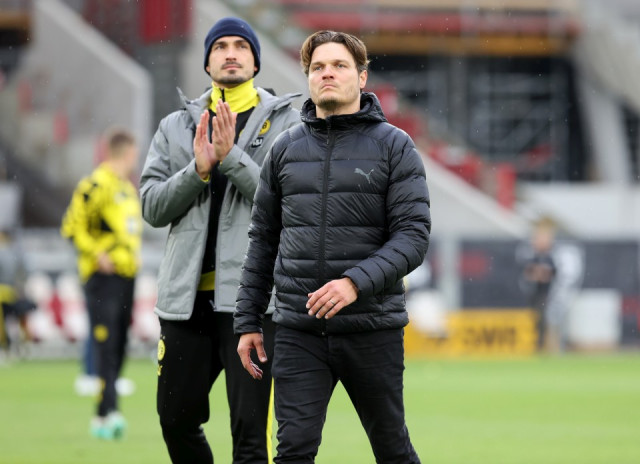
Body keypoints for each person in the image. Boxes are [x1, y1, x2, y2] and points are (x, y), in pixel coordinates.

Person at [235, 30, 431, 463]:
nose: (327, 74)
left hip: (372, 328)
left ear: (361, 77)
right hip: (299, 331)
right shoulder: (284, 150)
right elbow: (263, 240)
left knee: (392, 449)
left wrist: (353, 283)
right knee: (293, 452)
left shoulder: (395, 146)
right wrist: (248, 320)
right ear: (308, 78)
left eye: (339, 65)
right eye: (318, 67)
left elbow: (413, 237)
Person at [139, 17, 301, 464]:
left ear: (255, 61)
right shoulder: (175, 126)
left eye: (241, 46)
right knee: (175, 421)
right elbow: (152, 207)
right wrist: (197, 171)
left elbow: (290, 206)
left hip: (252, 305)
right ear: (207, 62)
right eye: (220, 46)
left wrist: (231, 160)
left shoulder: (288, 125)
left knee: (249, 436)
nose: (231, 53)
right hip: (185, 302)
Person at [60, 127, 142, 440]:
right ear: (126, 152)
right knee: (106, 343)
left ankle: (103, 413)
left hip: (126, 274)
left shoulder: (126, 187)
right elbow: (71, 226)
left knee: (119, 343)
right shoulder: (95, 184)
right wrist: (97, 254)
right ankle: (110, 412)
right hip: (102, 278)